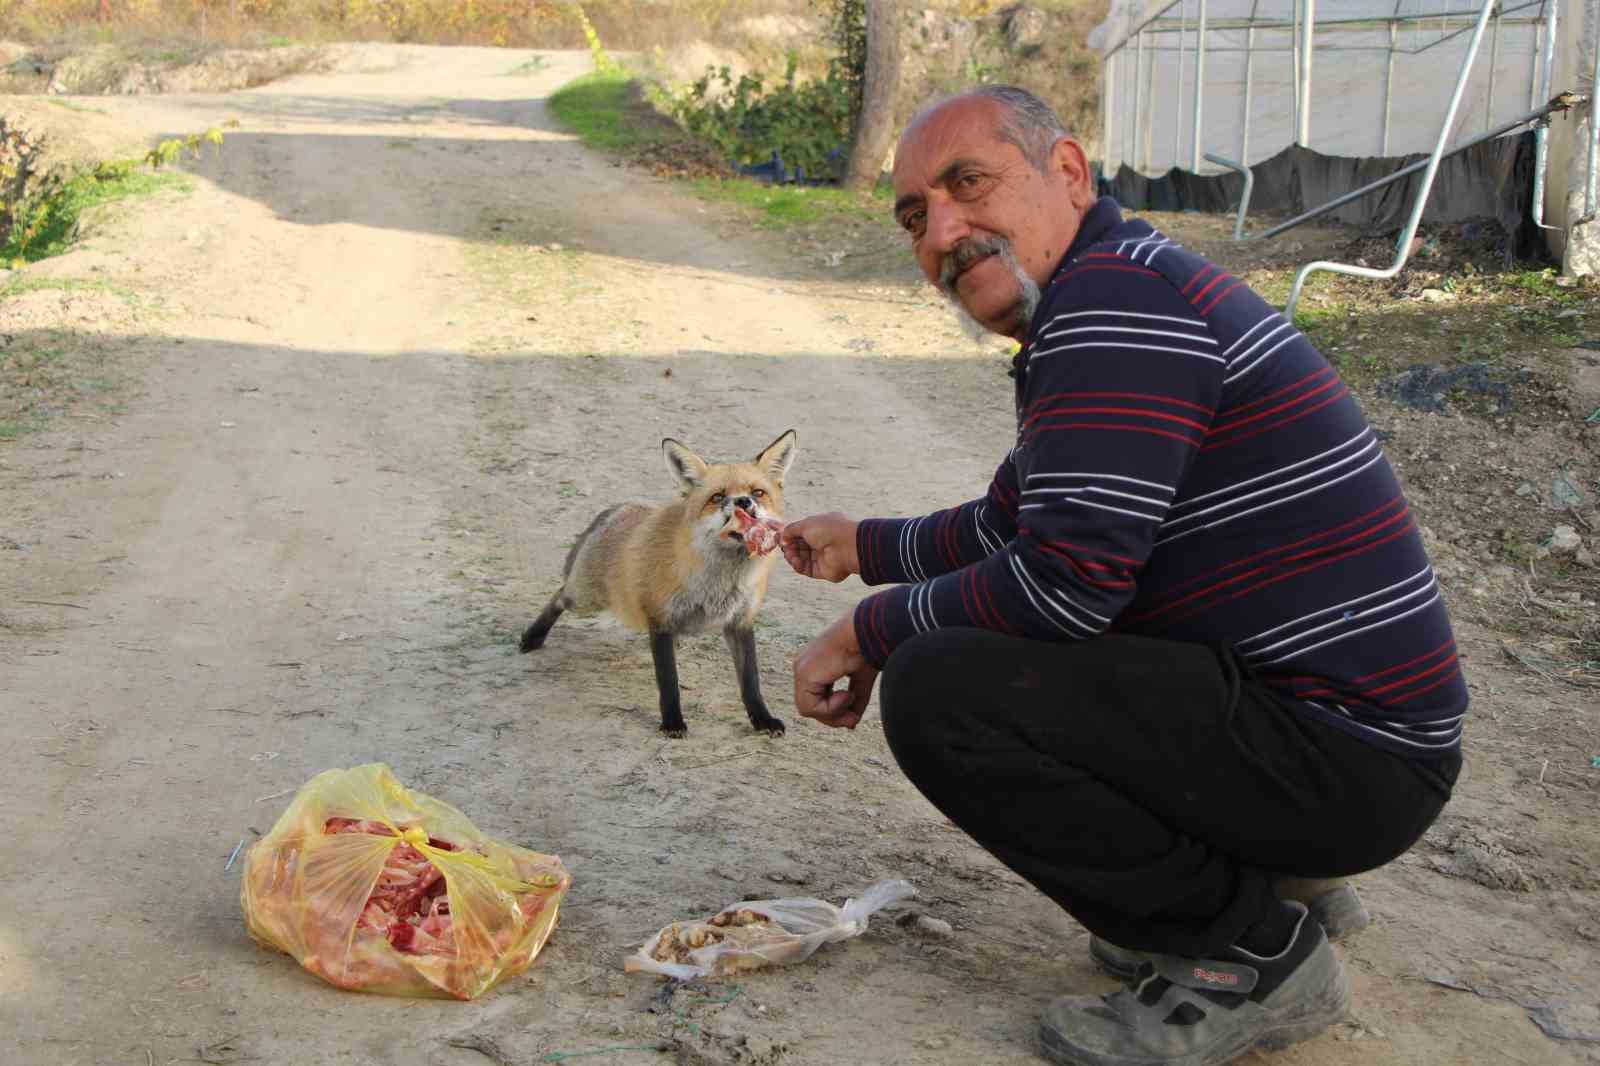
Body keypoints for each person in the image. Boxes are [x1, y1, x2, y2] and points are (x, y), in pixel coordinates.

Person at [778, 85, 1464, 1066]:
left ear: (1065, 170)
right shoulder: (1117, 288)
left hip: (1346, 761)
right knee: (1033, 635)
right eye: (913, 216)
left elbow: (1060, 583)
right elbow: (1012, 522)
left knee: (945, 687)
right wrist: (864, 545)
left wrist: (875, 628)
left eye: (966, 182)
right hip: (1355, 745)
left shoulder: (1112, 309)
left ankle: (1248, 949)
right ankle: (1271, 881)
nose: (941, 230)